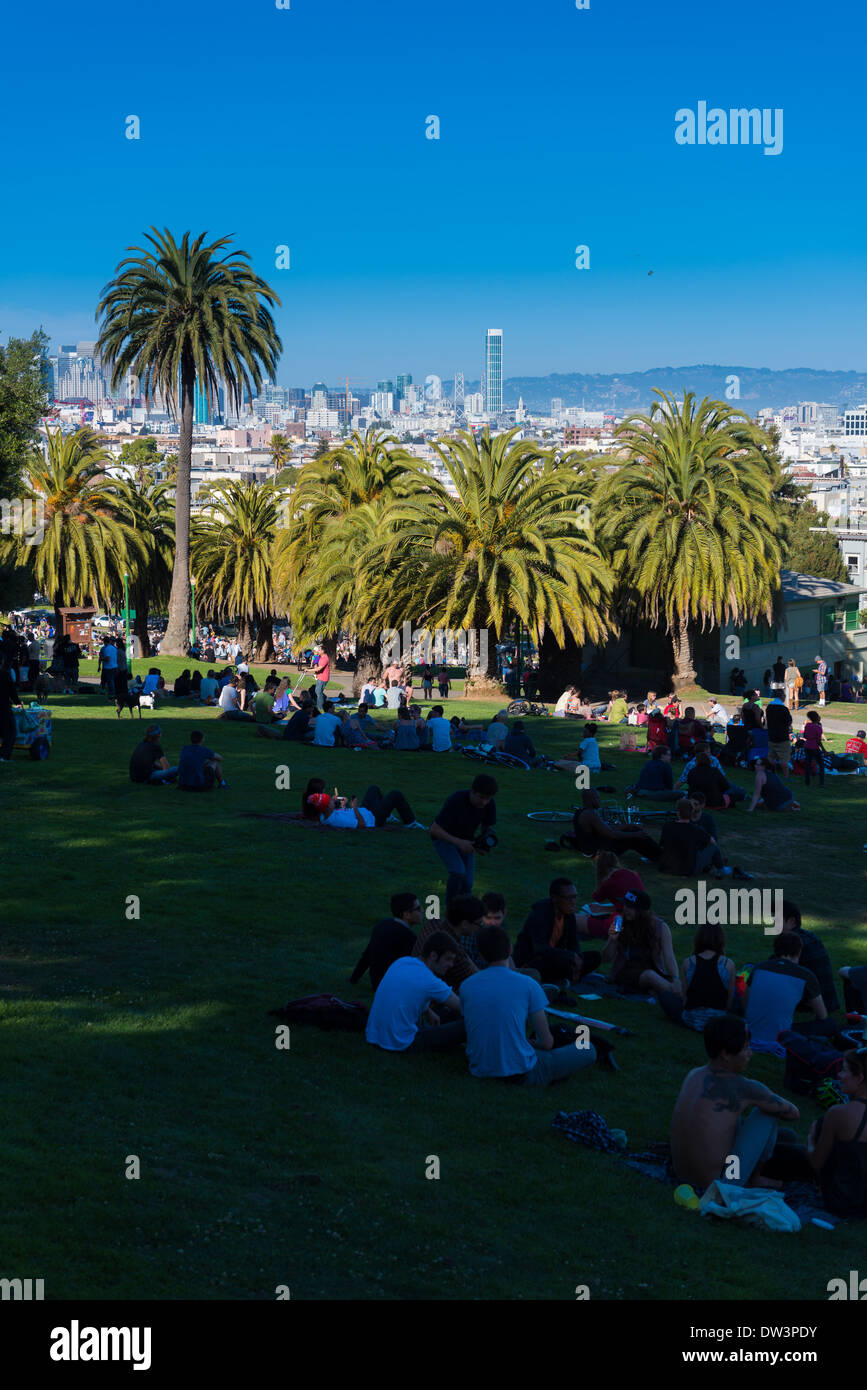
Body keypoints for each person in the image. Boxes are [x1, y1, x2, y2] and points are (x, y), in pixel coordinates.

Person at [671, 1014, 800, 1189]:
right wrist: (760, 1094)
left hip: (682, 1175)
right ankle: (752, 1179)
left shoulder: (694, 1075)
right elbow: (793, 1113)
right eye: (746, 1048)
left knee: (737, 1118)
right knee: (765, 1116)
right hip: (723, 1183)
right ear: (725, 1054)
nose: (750, 1054)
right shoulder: (743, 1088)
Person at [461, 926, 598, 1085]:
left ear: (480, 955)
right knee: (588, 1049)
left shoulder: (467, 986)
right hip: (521, 1071)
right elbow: (547, 1043)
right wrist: (530, 1043)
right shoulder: (528, 984)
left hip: (479, 1067)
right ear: (510, 949)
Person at [364, 933, 465, 1053]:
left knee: (443, 1012)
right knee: (464, 1026)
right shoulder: (430, 981)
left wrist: (428, 1011)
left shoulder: (403, 961)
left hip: (373, 1035)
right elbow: (464, 1007)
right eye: (448, 959)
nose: (451, 965)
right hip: (401, 1043)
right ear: (433, 955)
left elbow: (410, 994)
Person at [744, 932, 833, 1056]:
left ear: (775, 950)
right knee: (829, 1024)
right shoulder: (806, 975)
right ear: (799, 951)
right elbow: (822, 1015)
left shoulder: (759, 968)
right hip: (781, 1036)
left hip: (751, 1031)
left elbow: (745, 1002)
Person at [808, 1049, 867, 1217]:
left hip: (842, 1203)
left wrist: (811, 1138)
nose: (839, 1076)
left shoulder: (839, 1113)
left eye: (844, 1070)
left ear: (860, 1078)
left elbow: (815, 1164)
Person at [513, 879, 603, 984]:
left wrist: (578, 959)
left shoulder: (569, 915)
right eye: (568, 898)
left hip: (556, 957)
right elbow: (540, 949)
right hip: (534, 960)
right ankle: (561, 977)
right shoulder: (540, 915)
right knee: (556, 962)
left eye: (574, 897)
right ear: (555, 898)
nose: (573, 902)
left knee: (595, 957)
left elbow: (573, 942)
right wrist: (570, 956)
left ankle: (566, 975)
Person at [430, 773, 497, 901]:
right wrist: (459, 843)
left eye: (488, 798)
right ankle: (451, 912)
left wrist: (483, 844)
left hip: (467, 840)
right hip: (444, 837)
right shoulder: (456, 800)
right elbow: (434, 829)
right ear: (472, 791)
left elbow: (486, 827)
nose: (484, 802)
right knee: (458, 871)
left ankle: (466, 913)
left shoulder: (489, 803)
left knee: (467, 883)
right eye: (481, 797)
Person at [602, 890, 680, 997]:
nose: (625, 909)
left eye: (630, 907)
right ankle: (679, 996)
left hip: (652, 970)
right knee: (650, 976)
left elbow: (669, 956)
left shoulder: (660, 927)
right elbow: (606, 958)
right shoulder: (620, 923)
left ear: (641, 910)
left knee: (669, 979)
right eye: (625, 905)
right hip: (625, 971)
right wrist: (612, 939)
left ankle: (668, 991)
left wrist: (675, 978)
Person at [350, 892, 422, 990]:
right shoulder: (408, 937)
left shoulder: (382, 925)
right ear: (407, 914)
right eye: (418, 909)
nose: (422, 911)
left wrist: (354, 978)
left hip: (376, 982)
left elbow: (367, 956)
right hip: (391, 987)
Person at [570, 788, 662, 862]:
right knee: (634, 837)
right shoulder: (591, 814)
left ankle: (656, 853)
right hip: (599, 852)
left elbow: (605, 828)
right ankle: (660, 856)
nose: (599, 801)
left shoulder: (581, 812)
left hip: (591, 849)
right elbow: (612, 834)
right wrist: (635, 834)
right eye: (597, 798)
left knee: (631, 829)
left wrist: (627, 826)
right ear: (590, 800)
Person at [782, 900, 840, 1015]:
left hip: (812, 1005)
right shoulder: (808, 937)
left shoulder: (791, 942)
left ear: (792, 921)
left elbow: (777, 971)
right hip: (827, 1001)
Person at [678, 924, 736, 1031]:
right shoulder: (728, 964)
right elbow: (728, 1002)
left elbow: (685, 999)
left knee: (666, 996)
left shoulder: (688, 963)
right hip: (718, 1021)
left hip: (691, 1019)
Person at [658, 798, 731, 878]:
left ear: (678, 813)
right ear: (691, 812)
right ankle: (721, 869)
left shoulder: (667, 826)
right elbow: (712, 842)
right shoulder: (695, 829)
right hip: (687, 870)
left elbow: (662, 844)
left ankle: (712, 866)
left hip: (666, 867)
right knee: (713, 847)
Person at [324, 784, 425, 829]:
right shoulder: (335, 820)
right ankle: (410, 822)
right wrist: (354, 808)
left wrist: (342, 805)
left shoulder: (329, 814)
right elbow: (361, 825)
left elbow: (344, 813)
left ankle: (387, 815)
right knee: (395, 794)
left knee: (373, 788)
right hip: (373, 819)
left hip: (365, 810)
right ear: (327, 808)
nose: (332, 800)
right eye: (330, 802)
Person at [765, 693, 793, 775]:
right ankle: (786, 776)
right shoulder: (783, 709)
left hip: (771, 735)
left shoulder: (769, 708)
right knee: (784, 758)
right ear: (782, 697)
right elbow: (789, 721)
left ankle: (770, 773)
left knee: (771, 756)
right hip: (782, 736)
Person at [801, 710, 826, 787]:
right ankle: (821, 783)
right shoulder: (818, 728)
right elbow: (818, 741)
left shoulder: (807, 725)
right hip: (814, 747)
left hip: (807, 746)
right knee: (821, 765)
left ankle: (807, 782)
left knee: (808, 764)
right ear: (817, 718)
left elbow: (804, 736)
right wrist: (823, 749)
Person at [312, 644, 330, 711]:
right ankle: (327, 701)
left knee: (318, 692)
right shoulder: (320, 656)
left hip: (323, 678)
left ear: (323, 651)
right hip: (320, 676)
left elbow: (318, 669)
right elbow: (315, 659)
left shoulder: (325, 659)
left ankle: (320, 707)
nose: (318, 651)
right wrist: (315, 663)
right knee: (318, 691)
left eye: (319, 650)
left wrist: (308, 670)